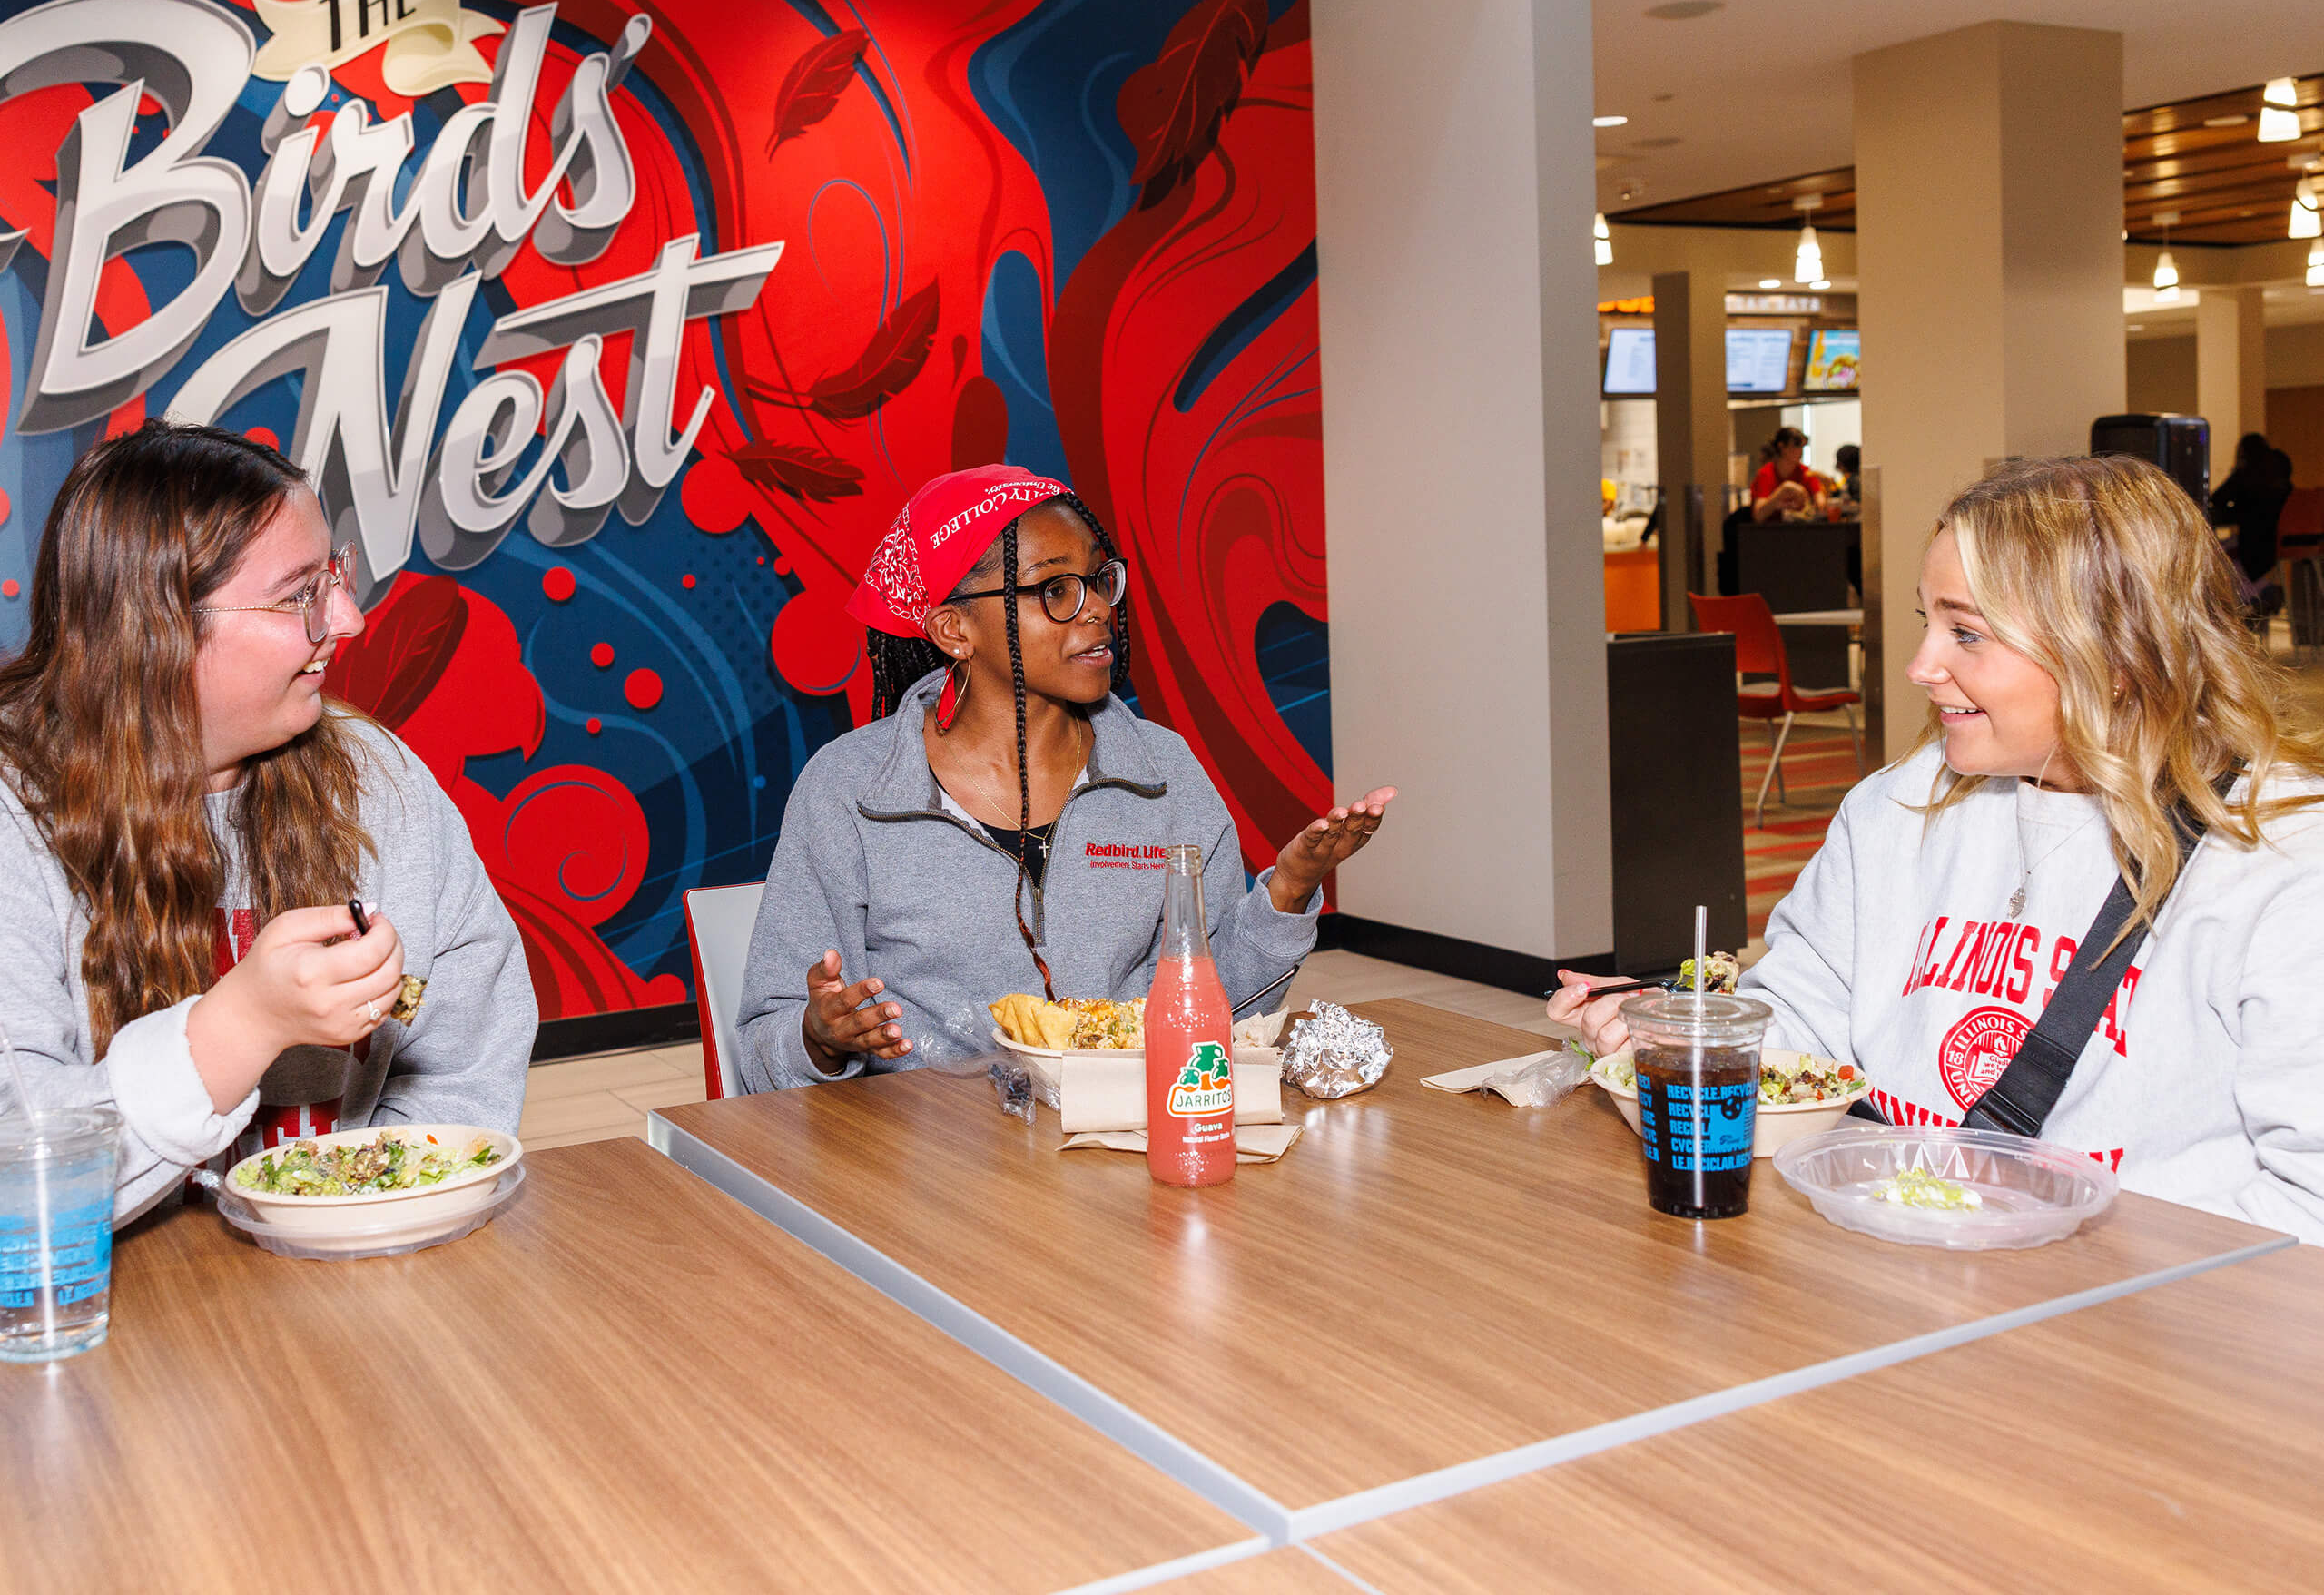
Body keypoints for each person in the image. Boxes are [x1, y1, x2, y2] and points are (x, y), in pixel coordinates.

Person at [1552, 454, 2324, 1244]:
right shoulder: (1896, 806)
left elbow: (2307, 1204)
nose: (1922, 667)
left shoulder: (2283, 859)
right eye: (1929, 623)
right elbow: (1805, 1021)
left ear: (2117, 653)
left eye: (1968, 634)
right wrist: (1688, 1032)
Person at [0, 423, 537, 1225]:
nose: (349, 619)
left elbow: (466, 1067)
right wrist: (240, 1026)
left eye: (335, 576)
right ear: (157, 630)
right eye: (299, 596)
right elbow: (18, 1183)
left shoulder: (376, 778)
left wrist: (354, 1216)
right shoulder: (17, 813)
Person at [736, 465, 1395, 1089]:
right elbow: (766, 1048)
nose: (1096, 610)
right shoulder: (850, 790)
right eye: (1055, 590)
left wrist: (1287, 890)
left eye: (1100, 580)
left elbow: (1216, 1006)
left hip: (1126, 1146)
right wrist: (821, 1037)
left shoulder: (1163, 773)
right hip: (933, 1169)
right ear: (954, 629)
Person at [2209, 431, 2291, 590]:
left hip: (2252, 542)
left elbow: (2217, 499)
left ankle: (2256, 593)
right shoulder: (2281, 471)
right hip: (2281, 539)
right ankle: (2261, 591)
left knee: (2216, 555)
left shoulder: (2245, 474)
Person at [1750, 428, 1826, 523]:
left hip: (1799, 530)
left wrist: (1821, 496)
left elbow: (1820, 501)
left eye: (1802, 447)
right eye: (1796, 445)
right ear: (1781, 447)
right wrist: (1784, 489)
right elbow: (1758, 515)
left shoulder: (1805, 472)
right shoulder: (1766, 474)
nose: (1800, 451)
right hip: (1770, 531)